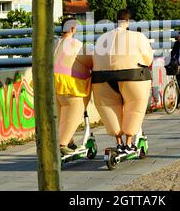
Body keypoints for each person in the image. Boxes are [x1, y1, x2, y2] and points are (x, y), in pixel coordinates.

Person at [92, 9, 153, 154]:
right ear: (129, 22)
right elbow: (148, 58)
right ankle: (129, 143)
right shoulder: (137, 36)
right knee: (134, 106)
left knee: (111, 107)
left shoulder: (102, 38)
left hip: (102, 79)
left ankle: (118, 142)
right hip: (132, 76)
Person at [54, 17, 93, 156]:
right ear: (72, 29)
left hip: (54, 87)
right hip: (72, 87)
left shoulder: (55, 43)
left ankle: (69, 142)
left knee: (60, 118)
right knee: (72, 116)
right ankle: (63, 145)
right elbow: (91, 61)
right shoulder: (76, 45)